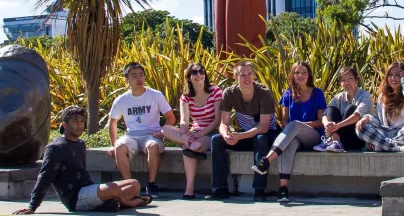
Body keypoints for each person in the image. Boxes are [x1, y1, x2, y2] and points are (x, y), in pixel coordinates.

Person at [13, 106, 151, 216]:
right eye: (74, 122)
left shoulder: (80, 144)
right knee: (113, 188)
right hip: (75, 197)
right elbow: (45, 177)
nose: (79, 125)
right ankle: (129, 203)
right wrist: (33, 206)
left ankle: (111, 203)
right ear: (64, 125)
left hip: (89, 189)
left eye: (81, 121)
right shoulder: (56, 148)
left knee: (134, 184)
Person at [251, 61, 326, 203]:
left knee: (295, 125)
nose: (301, 75)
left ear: (309, 74)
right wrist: (292, 128)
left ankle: (267, 160)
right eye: (297, 72)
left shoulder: (318, 93)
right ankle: (283, 190)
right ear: (293, 75)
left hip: (313, 136)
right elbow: (284, 120)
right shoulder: (288, 94)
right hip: (294, 136)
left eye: (304, 72)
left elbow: (320, 121)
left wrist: (298, 126)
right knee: (289, 145)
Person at [207, 60, 280, 202]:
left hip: (267, 134)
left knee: (261, 139)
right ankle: (220, 189)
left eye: (250, 74)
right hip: (246, 134)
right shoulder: (229, 93)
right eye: (242, 75)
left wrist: (240, 136)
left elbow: (264, 127)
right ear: (235, 76)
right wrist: (226, 134)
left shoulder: (264, 92)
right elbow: (223, 123)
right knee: (216, 140)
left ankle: (259, 190)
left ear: (254, 75)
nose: (247, 78)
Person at [107, 62, 176, 198]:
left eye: (141, 75)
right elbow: (112, 121)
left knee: (153, 145)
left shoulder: (155, 95)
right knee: (119, 147)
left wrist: (162, 132)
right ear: (127, 80)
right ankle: (130, 185)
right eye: (134, 76)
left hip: (151, 134)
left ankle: (151, 184)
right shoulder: (121, 99)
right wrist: (112, 144)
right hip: (131, 135)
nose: (139, 79)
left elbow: (171, 118)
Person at [159, 62, 223, 199]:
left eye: (201, 72)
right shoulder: (186, 97)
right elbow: (184, 120)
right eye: (194, 72)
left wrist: (200, 134)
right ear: (189, 77)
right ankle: (190, 146)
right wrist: (183, 134)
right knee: (165, 129)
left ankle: (189, 189)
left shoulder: (215, 91)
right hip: (193, 133)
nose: (199, 75)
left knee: (190, 147)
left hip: (212, 132)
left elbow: (217, 120)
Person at [355, 62, 404, 167]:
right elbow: (378, 120)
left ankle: (381, 145)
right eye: (390, 74)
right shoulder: (383, 97)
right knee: (360, 127)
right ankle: (396, 147)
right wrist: (367, 119)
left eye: (398, 75)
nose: (393, 78)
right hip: (388, 133)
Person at [313, 66, 372, 153]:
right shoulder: (339, 97)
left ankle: (335, 141)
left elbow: (357, 116)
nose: (347, 82)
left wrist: (337, 126)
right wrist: (327, 124)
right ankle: (335, 141)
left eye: (350, 79)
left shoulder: (365, 95)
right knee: (331, 109)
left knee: (351, 108)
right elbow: (325, 113)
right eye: (343, 80)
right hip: (341, 138)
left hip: (358, 137)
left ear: (356, 80)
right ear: (340, 83)